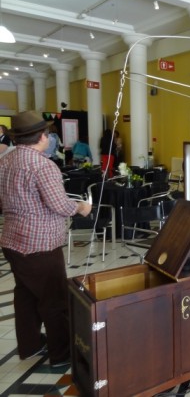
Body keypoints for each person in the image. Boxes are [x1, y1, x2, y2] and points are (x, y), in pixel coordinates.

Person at [0, 110, 92, 367]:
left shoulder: (5, 160)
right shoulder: (43, 165)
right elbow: (59, 205)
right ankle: (61, 354)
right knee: (54, 300)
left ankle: (29, 346)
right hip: (40, 245)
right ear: (42, 136)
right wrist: (81, 208)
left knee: (25, 296)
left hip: (12, 241)